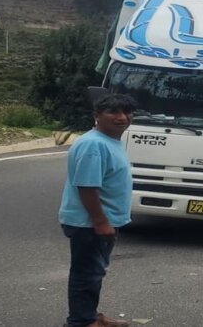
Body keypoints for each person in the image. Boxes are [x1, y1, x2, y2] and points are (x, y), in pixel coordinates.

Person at [59, 93, 136, 327]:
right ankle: (81, 322)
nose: (121, 117)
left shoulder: (109, 141)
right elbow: (87, 187)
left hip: (101, 221)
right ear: (96, 116)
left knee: (95, 272)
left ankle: (90, 316)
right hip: (89, 223)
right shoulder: (93, 144)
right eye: (113, 112)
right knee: (87, 275)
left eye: (126, 112)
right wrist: (100, 221)